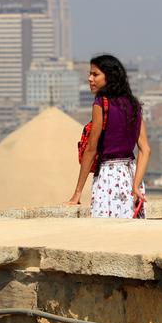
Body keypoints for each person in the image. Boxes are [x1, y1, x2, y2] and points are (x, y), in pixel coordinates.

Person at [65, 54, 151, 218]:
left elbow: (91, 149)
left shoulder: (101, 104)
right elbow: (145, 149)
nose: (90, 79)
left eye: (95, 74)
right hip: (130, 175)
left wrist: (77, 194)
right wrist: (136, 185)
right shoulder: (133, 104)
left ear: (109, 77)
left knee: (105, 234)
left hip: (108, 178)